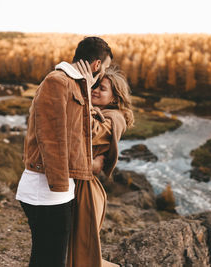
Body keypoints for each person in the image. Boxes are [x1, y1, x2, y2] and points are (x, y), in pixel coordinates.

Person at [16, 37, 113, 267]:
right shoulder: (57, 81)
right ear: (97, 64)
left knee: (47, 259)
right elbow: (51, 138)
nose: (102, 75)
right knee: (50, 260)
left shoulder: (77, 85)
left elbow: (75, 130)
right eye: (105, 68)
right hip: (47, 190)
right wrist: (60, 189)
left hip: (57, 191)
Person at [67, 65, 134, 267]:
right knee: (73, 248)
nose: (95, 90)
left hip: (86, 189)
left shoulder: (116, 118)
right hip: (79, 182)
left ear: (114, 98)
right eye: (94, 85)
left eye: (101, 88)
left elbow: (90, 132)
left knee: (81, 251)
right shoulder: (100, 111)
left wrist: (84, 97)